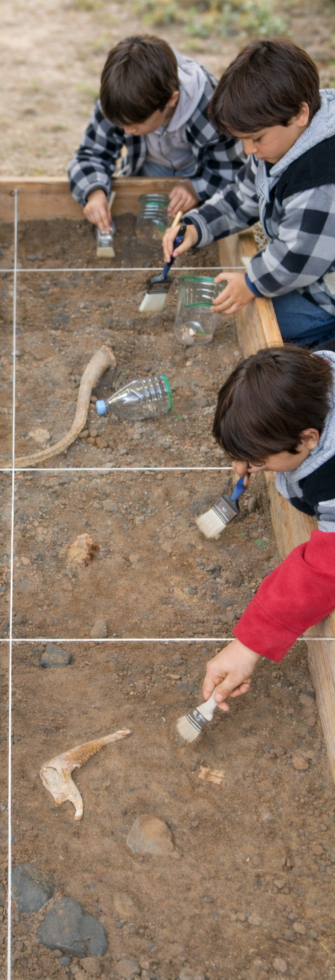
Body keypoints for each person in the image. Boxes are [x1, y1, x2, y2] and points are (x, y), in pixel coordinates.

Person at [162, 38, 335, 348]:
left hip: (327, 290)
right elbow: (242, 197)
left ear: (300, 114)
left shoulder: (320, 181)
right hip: (309, 263)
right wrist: (196, 225)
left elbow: (296, 257)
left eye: (255, 138)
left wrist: (251, 282)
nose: (247, 150)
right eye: (242, 139)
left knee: (261, 317)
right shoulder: (280, 143)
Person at [201, 346, 335, 710]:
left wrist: (249, 644)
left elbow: (324, 569)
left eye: (259, 459)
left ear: (309, 438)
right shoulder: (315, 381)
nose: (249, 466)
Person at [68, 34, 245, 233]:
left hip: (198, 173)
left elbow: (231, 168)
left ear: (171, 99)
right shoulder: (117, 99)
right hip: (148, 168)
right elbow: (90, 154)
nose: (127, 131)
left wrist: (196, 189)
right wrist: (95, 191)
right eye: (121, 124)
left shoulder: (211, 109)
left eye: (137, 124)